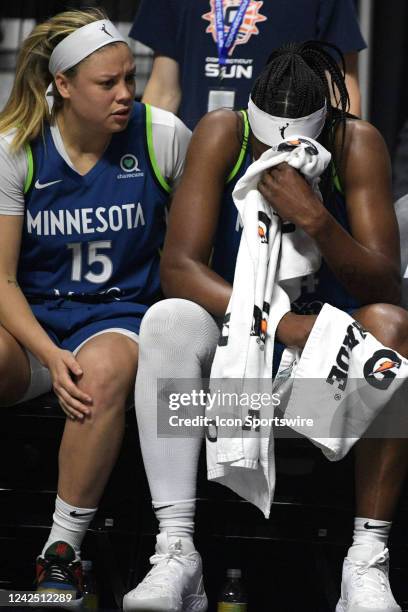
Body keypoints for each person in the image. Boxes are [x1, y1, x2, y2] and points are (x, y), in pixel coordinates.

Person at [124, 42, 408, 612]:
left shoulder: (357, 143)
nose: (277, 163)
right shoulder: (222, 133)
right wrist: (279, 324)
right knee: (168, 320)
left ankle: (365, 563)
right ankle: (177, 552)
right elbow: (178, 268)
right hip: (232, 382)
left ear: (321, 132)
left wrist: (316, 219)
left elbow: (384, 286)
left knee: (391, 327)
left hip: (317, 394)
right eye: (265, 150)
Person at [0, 8, 190, 607]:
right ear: (62, 85)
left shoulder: (162, 136)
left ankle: (61, 555)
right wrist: (47, 355)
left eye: (129, 79)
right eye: (107, 84)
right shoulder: (17, 151)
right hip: (35, 322)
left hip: (119, 316)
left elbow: (191, 258)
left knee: (99, 373)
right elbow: (2, 278)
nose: (125, 95)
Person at [129, 0, 366, 129]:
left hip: (285, 153)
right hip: (195, 154)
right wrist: (148, 163)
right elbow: (164, 88)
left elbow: (340, 85)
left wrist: (344, 171)